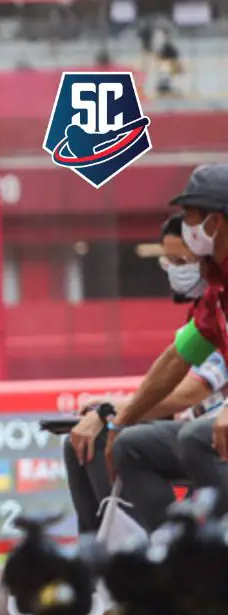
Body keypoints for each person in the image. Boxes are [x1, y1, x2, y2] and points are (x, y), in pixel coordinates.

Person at [64, 212, 226, 533]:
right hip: (193, 426)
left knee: (134, 441)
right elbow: (170, 370)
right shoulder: (200, 316)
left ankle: (174, 549)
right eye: (169, 262)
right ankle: (98, 551)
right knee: (79, 444)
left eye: (183, 260)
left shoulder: (219, 312)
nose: (177, 270)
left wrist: (113, 413)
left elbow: (186, 393)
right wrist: (114, 408)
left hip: (209, 435)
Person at [101, 164, 228, 531]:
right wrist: (121, 419)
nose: (185, 227)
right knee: (131, 445)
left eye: (190, 217)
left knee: (196, 437)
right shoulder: (216, 290)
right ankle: (177, 555)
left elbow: (191, 388)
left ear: (216, 222)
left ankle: (216, 557)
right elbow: (177, 358)